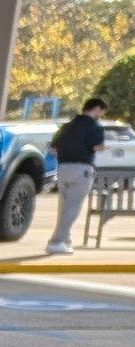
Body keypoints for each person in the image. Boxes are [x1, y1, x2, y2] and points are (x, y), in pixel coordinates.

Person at [46, 96, 108, 254]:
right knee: (74, 207)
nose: (101, 114)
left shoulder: (67, 126)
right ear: (96, 109)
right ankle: (56, 241)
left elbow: (53, 149)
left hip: (63, 168)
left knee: (64, 206)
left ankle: (65, 239)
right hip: (82, 169)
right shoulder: (95, 127)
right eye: (101, 111)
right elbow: (97, 146)